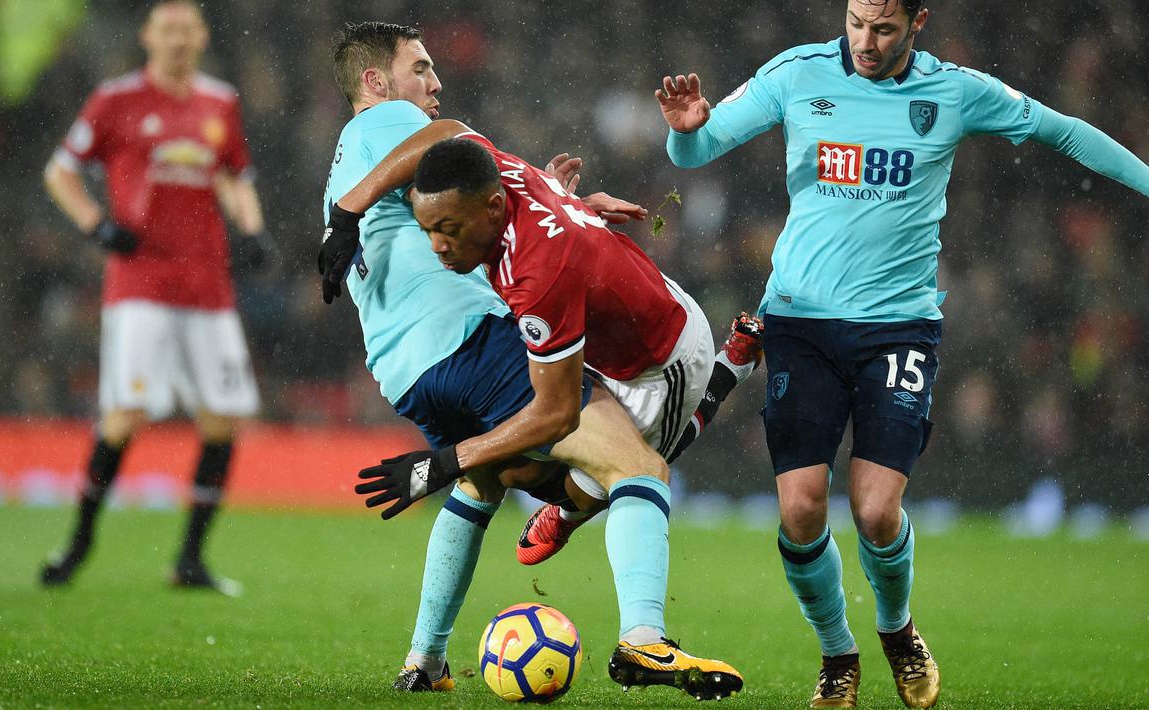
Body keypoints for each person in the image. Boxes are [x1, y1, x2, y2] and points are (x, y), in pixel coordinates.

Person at [655, 0, 1149, 707]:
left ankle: (895, 630)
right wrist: (683, 134)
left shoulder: (953, 92)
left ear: (916, 22)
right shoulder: (796, 74)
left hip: (897, 329)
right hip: (800, 321)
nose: (865, 41)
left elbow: (1065, 132)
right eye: (856, 22)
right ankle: (837, 654)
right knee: (801, 510)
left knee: (873, 511)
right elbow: (697, 146)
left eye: (884, 28)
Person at [322, 22, 750, 699]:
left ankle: (425, 658)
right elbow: (449, 137)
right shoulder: (393, 125)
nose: (433, 85)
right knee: (634, 468)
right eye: (419, 69)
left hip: (408, 376)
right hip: (472, 339)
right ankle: (644, 639)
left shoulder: (351, 161)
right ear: (376, 83)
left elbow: (487, 195)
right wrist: (346, 216)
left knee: (490, 482)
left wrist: (563, 205)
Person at [40, 0, 277, 595]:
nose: (177, 38)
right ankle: (78, 543)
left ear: (200, 37)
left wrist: (250, 230)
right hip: (140, 284)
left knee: (222, 421)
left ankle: (190, 560)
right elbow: (60, 171)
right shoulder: (116, 99)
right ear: (148, 35)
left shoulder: (220, 102)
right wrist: (96, 224)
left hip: (208, 287)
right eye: (166, 28)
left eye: (187, 28)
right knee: (127, 414)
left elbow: (232, 174)